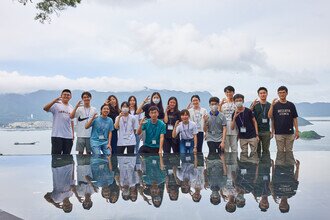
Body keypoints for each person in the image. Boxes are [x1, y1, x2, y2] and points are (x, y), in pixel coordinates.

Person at [43, 89, 74, 155]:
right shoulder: (56, 105)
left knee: (67, 157)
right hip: (57, 135)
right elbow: (45, 108)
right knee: (56, 157)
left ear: (70, 97)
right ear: (61, 96)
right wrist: (53, 101)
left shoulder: (71, 107)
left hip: (68, 136)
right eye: (64, 94)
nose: (66, 96)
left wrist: (73, 134)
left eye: (68, 95)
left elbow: (72, 122)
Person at [268, 86, 299, 152]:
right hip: (279, 133)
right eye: (280, 93)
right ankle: (279, 163)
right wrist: (272, 105)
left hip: (290, 133)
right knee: (280, 151)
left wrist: (297, 130)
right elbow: (270, 116)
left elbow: (295, 118)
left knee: (289, 151)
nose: (282, 94)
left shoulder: (291, 105)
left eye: (283, 92)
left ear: (287, 93)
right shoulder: (275, 105)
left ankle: (289, 162)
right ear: (278, 94)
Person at [250, 87, 272, 154]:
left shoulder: (270, 105)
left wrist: (272, 131)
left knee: (266, 150)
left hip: (266, 131)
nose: (263, 94)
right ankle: (258, 164)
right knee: (257, 151)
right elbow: (248, 114)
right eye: (261, 93)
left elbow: (272, 118)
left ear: (267, 94)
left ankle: (266, 164)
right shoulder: (255, 104)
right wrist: (252, 106)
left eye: (264, 93)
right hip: (256, 131)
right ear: (258, 95)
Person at [219, 86, 238, 152]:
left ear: (233, 92)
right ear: (225, 93)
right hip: (225, 128)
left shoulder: (236, 103)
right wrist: (220, 105)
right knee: (226, 149)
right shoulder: (223, 104)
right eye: (227, 92)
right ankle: (226, 162)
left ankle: (234, 162)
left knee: (234, 148)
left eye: (230, 92)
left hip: (234, 127)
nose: (228, 93)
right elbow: (219, 115)